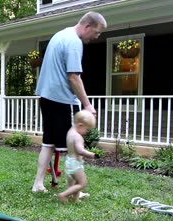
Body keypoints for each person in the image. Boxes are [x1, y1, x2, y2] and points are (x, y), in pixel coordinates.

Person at [31, 11, 107, 193]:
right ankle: (75, 190)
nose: (96, 37)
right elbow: (73, 76)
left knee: (49, 143)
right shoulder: (74, 42)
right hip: (62, 100)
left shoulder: (60, 35)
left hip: (47, 98)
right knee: (74, 146)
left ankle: (38, 184)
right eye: (96, 33)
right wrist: (87, 105)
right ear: (87, 26)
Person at [57, 110, 98, 202]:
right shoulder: (77, 137)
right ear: (80, 125)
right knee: (82, 183)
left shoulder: (70, 132)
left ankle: (75, 198)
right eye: (87, 129)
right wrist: (91, 155)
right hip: (75, 164)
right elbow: (80, 151)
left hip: (69, 161)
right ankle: (63, 195)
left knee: (75, 182)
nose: (87, 132)